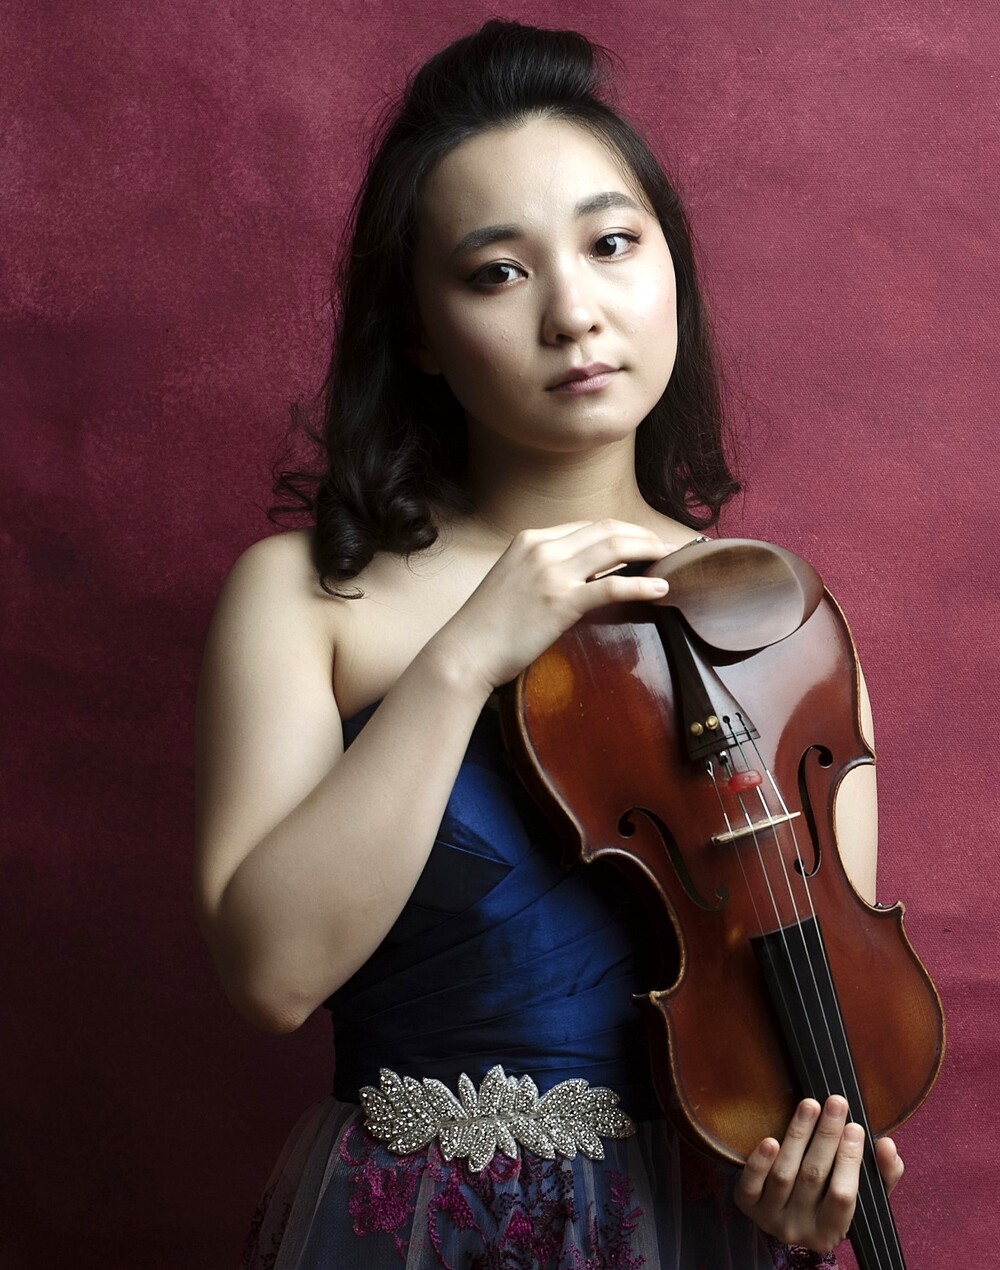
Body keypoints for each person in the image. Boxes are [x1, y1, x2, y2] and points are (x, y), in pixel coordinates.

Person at [194, 20, 904, 1268]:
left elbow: (804, 1033)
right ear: (419, 330)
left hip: (684, 1230)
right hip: (406, 1227)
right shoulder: (305, 595)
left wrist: (803, 1192)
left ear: (670, 267)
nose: (574, 312)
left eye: (611, 244)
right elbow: (272, 974)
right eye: (497, 272)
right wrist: (466, 652)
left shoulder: (781, 619)